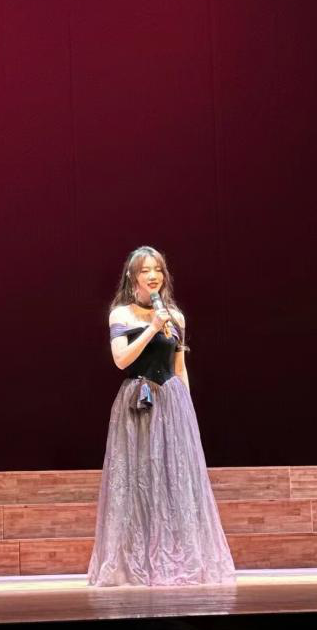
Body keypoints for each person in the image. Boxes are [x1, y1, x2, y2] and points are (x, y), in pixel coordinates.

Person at [87, 246, 236, 586]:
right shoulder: (121, 314)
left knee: (174, 480)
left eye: (157, 269)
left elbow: (179, 368)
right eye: (145, 270)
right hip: (137, 403)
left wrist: (188, 414)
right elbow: (121, 360)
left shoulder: (175, 317)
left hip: (171, 403)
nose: (152, 275)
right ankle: (133, 563)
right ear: (132, 277)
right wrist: (152, 327)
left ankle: (176, 559)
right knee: (138, 482)